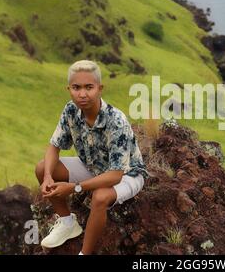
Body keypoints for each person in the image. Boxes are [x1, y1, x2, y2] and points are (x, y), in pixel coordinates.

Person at [34, 60, 148, 255]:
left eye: (89, 87)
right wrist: (47, 177)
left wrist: (74, 188)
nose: (82, 94)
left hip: (128, 174)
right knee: (42, 167)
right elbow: (54, 146)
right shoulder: (70, 110)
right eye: (76, 88)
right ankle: (68, 223)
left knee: (100, 196)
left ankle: (85, 254)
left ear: (100, 88)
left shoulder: (116, 120)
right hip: (92, 167)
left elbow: (115, 176)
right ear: (69, 89)